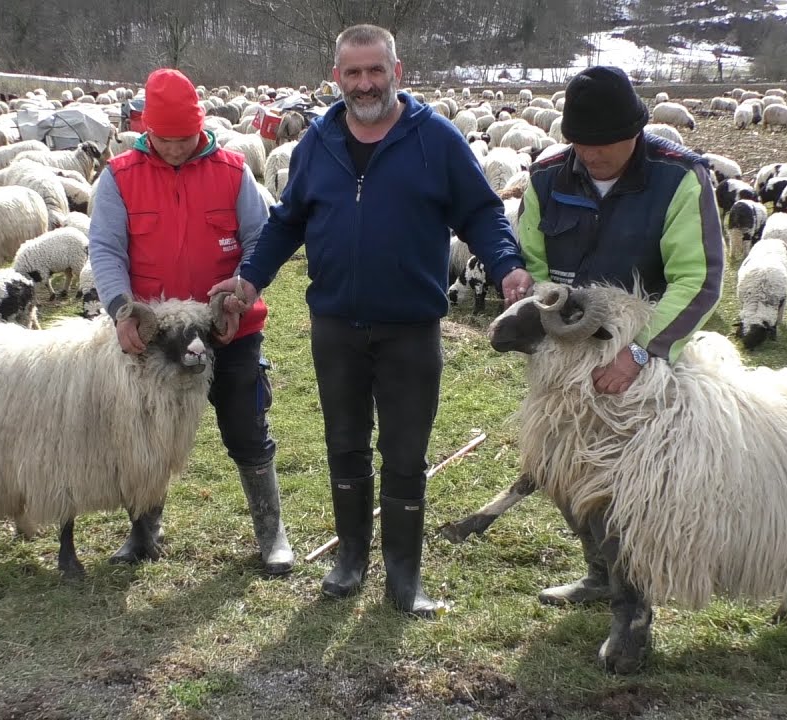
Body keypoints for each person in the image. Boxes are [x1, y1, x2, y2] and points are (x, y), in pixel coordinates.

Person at [211, 24, 533, 619]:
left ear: (396, 72)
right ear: (337, 77)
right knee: (344, 444)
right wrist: (251, 276)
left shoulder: (434, 139)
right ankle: (351, 559)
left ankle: (404, 577)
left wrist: (506, 263)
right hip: (335, 323)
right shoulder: (319, 142)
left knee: (406, 451)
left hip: (410, 326)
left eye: (374, 71)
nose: (364, 84)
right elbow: (287, 221)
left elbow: (482, 212)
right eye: (352, 73)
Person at [517, 65, 724, 605]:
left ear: (636, 130)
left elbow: (697, 278)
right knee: (564, 463)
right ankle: (598, 574)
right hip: (566, 355)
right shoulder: (547, 178)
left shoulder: (679, 177)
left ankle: (636, 584)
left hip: (651, 358)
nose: (592, 155)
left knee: (636, 476)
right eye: (581, 143)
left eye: (605, 143)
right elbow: (531, 262)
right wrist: (549, 311)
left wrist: (640, 352)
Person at [88, 68, 294, 575]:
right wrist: (120, 309)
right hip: (152, 334)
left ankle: (272, 534)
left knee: (245, 423)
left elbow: (258, 240)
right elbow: (106, 248)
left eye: (186, 138)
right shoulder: (120, 176)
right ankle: (143, 530)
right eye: (166, 138)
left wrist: (241, 293)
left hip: (226, 325)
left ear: (200, 126)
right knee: (144, 430)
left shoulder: (231, 170)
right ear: (147, 129)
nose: (177, 148)